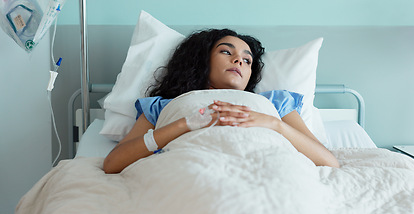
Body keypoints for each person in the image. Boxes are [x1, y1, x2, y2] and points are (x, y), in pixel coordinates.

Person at [103, 29, 339, 174]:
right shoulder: (162, 106)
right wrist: (184, 124)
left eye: (247, 61)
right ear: (201, 61)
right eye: (227, 52)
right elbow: (113, 163)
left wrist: (273, 124)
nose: (239, 61)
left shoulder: (275, 103)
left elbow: (328, 161)